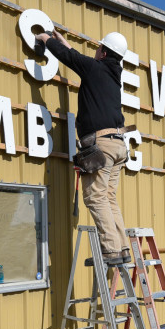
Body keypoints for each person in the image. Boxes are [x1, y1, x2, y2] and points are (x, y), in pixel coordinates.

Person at [34, 29, 130, 265]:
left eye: (98, 48)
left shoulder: (95, 69)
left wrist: (45, 39)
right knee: (108, 197)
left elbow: (71, 58)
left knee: (95, 197)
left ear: (104, 51)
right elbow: (76, 57)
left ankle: (110, 251)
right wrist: (61, 40)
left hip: (102, 144)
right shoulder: (111, 76)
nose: (95, 51)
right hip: (118, 144)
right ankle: (122, 247)